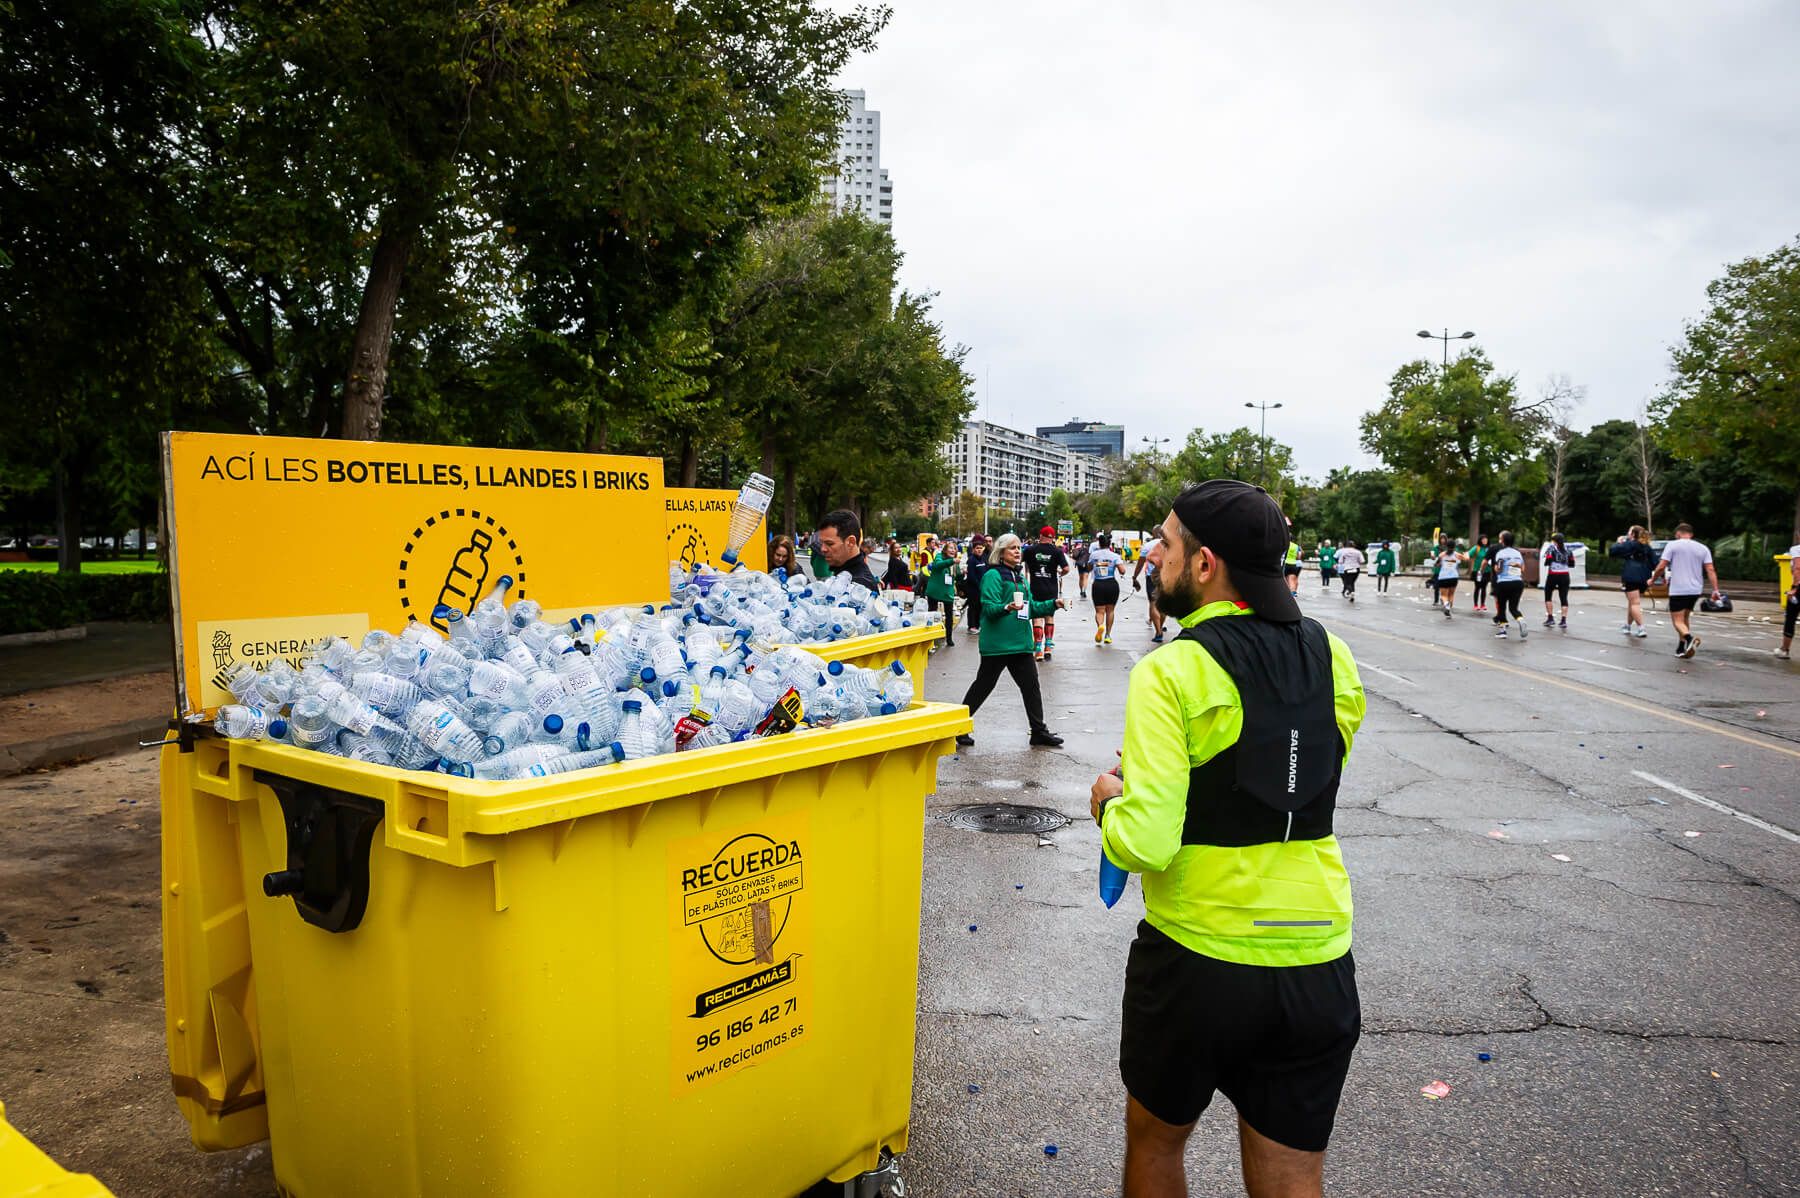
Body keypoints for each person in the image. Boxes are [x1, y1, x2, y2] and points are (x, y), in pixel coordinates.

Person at [1088, 480, 1366, 1198]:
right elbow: (1308, 775)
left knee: (1156, 1140)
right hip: (1317, 960)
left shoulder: (1172, 669)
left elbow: (1147, 842)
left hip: (1198, 959)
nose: (1152, 554)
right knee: (1294, 1174)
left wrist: (1109, 807)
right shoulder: (1333, 656)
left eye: (1165, 542)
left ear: (1205, 564)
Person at [955, 533, 1067, 749]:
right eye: (1012, 548)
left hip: (1021, 643)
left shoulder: (1021, 578)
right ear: (1001, 552)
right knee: (983, 687)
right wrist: (1006, 607)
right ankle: (958, 728)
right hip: (997, 645)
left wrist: (1054, 604)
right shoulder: (993, 575)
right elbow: (988, 607)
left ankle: (1038, 731)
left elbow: (1031, 608)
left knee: (1031, 687)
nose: (1018, 551)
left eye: (1019, 548)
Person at [1648, 523, 1721, 659]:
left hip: (1678, 589)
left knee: (1677, 621)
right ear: (1691, 534)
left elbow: (1661, 566)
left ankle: (1688, 638)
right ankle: (1682, 648)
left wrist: (1652, 579)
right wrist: (1715, 590)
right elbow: (1710, 570)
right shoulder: (1703, 548)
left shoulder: (1672, 545)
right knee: (1685, 617)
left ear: (1677, 534)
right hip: (1695, 589)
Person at [1023, 526, 1071, 661]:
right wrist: (1061, 573)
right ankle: (1048, 647)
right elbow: (1066, 568)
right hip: (1051, 588)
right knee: (1049, 616)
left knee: (1037, 616)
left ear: (1040, 535)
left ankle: (1038, 649)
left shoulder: (1031, 550)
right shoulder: (1057, 551)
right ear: (1052, 537)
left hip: (1035, 587)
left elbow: (1018, 562)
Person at [1609, 526, 1656, 639]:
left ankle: (1641, 628)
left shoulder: (1631, 544)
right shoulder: (1647, 546)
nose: (1627, 534)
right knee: (1632, 602)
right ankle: (1628, 626)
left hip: (1631, 576)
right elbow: (1655, 562)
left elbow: (1613, 552)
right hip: (1644, 577)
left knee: (1634, 603)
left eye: (1629, 532)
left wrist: (1618, 542)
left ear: (1633, 534)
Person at [815, 510, 879, 593]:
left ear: (850, 542)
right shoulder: (846, 575)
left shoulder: (859, 587)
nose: (822, 549)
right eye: (821, 543)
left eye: (829, 544)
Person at [1088, 532, 1126, 644]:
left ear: (1099, 543)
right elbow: (1122, 570)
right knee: (1110, 610)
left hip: (1098, 584)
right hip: (1111, 584)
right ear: (1109, 544)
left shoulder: (1094, 555)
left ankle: (1100, 626)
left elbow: (1089, 567)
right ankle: (1108, 635)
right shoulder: (1114, 556)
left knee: (1099, 611)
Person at [1490, 530, 1527, 639]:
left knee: (1501, 607)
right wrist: (1515, 565)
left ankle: (1502, 631)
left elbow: (1499, 570)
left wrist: (1495, 568)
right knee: (1513, 608)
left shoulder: (1501, 553)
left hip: (1504, 583)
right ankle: (1521, 620)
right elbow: (1523, 569)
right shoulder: (1518, 553)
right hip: (1518, 583)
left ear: (1503, 541)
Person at [923, 541, 960, 649]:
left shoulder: (955, 562)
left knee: (949, 616)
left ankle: (949, 638)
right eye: (951, 548)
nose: (953, 550)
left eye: (954, 548)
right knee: (932, 614)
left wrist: (962, 573)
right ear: (945, 549)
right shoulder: (939, 557)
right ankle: (930, 639)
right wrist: (952, 561)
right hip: (935, 590)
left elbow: (956, 576)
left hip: (947, 591)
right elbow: (938, 566)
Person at [1133, 537, 1166, 642]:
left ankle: (1158, 632)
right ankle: (1160, 626)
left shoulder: (1148, 546)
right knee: (1164, 603)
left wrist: (1135, 577)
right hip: (1167, 576)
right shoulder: (1171, 543)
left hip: (1152, 577)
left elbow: (1140, 563)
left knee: (1153, 603)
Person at [1540, 533, 1574, 629]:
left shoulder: (1551, 549)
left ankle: (1550, 618)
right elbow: (1572, 564)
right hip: (1565, 575)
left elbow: (1547, 562)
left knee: (1548, 595)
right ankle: (1563, 621)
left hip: (1553, 575)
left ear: (1554, 541)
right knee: (1563, 597)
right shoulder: (1569, 550)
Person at [1431, 536, 1465, 618]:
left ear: (1446, 546)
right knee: (1451, 594)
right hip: (1454, 577)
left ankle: (1446, 604)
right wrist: (1466, 554)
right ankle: (1448, 609)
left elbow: (1436, 564)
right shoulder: (1457, 555)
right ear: (1454, 547)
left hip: (1443, 577)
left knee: (1443, 595)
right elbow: (1466, 558)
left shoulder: (1442, 555)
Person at [964, 535, 991, 634]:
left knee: (980, 607)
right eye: (977, 548)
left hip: (982, 588)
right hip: (973, 589)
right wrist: (979, 585)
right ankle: (971, 626)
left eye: (981, 548)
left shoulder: (983, 559)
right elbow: (971, 576)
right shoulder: (971, 560)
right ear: (973, 549)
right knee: (973, 608)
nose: (979, 550)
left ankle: (978, 624)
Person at [1778, 539, 1799, 660]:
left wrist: (1795, 588)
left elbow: (1797, 568)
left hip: (1798, 588)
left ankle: (1784, 650)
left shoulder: (1796, 549)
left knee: (1790, 618)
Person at [1469, 534, 1492, 613]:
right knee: (1477, 587)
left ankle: (1483, 604)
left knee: (1484, 588)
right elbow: (1469, 554)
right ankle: (1475, 605)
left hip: (1487, 571)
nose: (1484, 541)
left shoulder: (1489, 548)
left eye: (1486, 539)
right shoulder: (1477, 548)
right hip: (1478, 571)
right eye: (1483, 539)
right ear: (1480, 540)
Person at [1284, 526, 1302, 596]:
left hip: (1285, 563)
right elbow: (1298, 557)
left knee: (1284, 579)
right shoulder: (1296, 546)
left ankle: (1285, 592)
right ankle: (1293, 592)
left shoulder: (1284, 545)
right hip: (1293, 564)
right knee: (1292, 579)